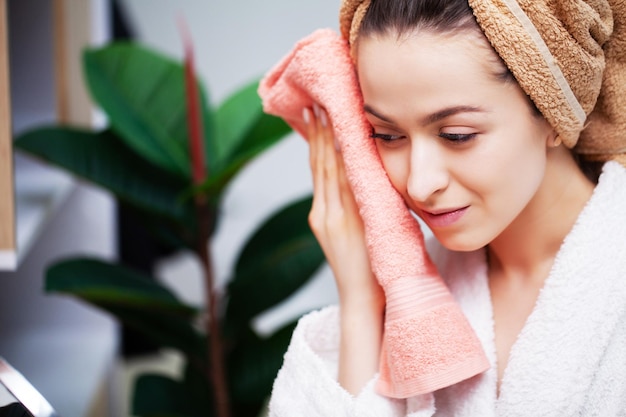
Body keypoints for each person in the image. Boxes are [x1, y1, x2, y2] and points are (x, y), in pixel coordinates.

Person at [267, 0, 626, 415]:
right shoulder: (416, 301)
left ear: (552, 113)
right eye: (386, 135)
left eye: (456, 135)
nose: (419, 184)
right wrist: (362, 302)